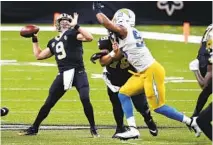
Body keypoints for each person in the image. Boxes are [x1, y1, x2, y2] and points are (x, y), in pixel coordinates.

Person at [92, 2, 201, 140]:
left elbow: (106, 23)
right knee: (123, 93)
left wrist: (97, 11)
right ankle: (133, 129)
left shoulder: (124, 30)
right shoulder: (129, 32)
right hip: (141, 72)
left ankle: (191, 122)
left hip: (152, 71)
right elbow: (119, 52)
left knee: (158, 107)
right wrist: (111, 53)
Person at [19, 13, 99, 137]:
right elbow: (39, 55)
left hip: (78, 72)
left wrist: (76, 26)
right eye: (62, 21)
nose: (65, 22)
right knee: (49, 102)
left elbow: (89, 38)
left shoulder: (73, 34)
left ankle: (93, 128)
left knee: (85, 98)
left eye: (67, 20)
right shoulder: (53, 42)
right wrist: (34, 38)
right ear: (57, 24)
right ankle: (34, 128)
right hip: (63, 74)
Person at [90, 33, 158, 138]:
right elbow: (103, 60)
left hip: (132, 77)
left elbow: (118, 54)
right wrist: (103, 53)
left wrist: (113, 53)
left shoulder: (129, 41)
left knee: (140, 106)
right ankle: (120, 127)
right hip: (114, 78)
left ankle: (149, 120)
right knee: (116, 104)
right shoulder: (106, 40)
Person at [190, 25, 212, 141]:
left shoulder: (210, 29)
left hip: (203, 59)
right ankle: (195, 117)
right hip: (205, 59)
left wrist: (195, 70)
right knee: (208, 88)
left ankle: (195, 116)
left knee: (208, 89)